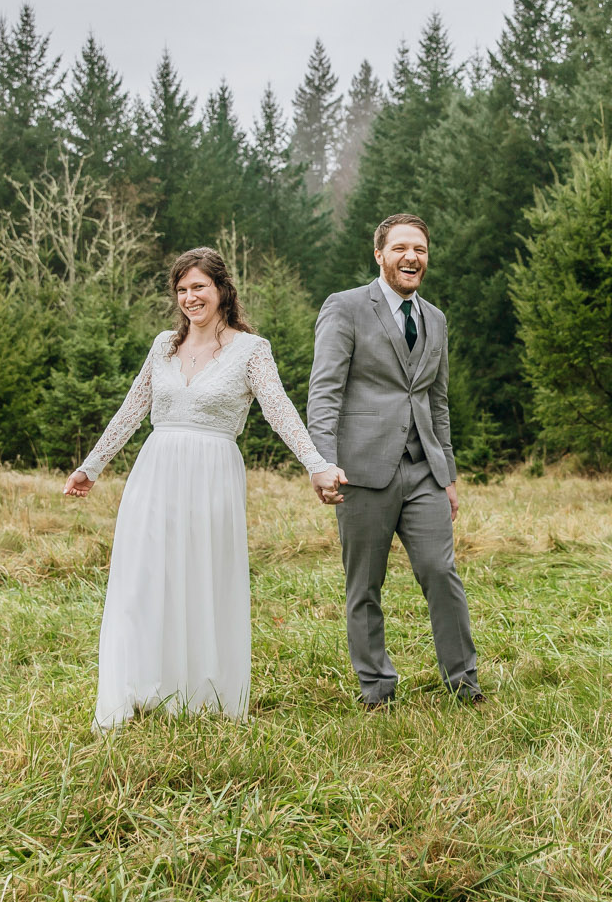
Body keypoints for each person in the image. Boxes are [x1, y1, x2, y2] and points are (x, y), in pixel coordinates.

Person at [64, 246, 344, 729]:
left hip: (213, 474)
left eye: (199, 287)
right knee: (145, 579)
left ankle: (201, 691)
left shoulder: (251, 350)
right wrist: (91, 466)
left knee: (202, 577)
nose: (190, 298)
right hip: (156, 472)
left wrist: (316, 464)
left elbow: (280, 411)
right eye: (182, 290)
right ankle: (138, 685)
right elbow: (131, 410)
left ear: (221, 290)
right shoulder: (163, 347)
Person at [306, 213, 481, 709]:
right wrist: (322, 461)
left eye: (420, 249)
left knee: (441, 572)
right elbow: (324, 393)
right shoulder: (344, 308)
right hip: (360, 471)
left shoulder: (437, 319)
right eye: (401, 248)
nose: (412, 257)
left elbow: (438, 403)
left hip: (423, 469)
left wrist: (446, 474)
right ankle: (377, 688)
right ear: (379, 254)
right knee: (365, 582)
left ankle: (463, 681)